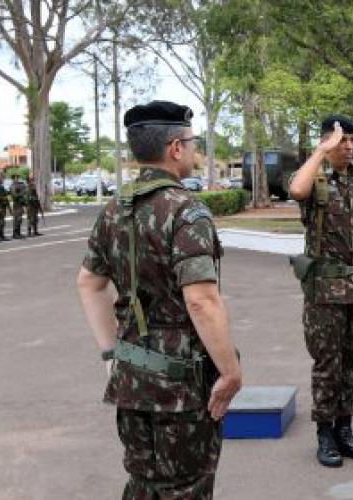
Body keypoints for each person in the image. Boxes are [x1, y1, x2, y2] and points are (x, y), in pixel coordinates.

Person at [77, 100, 242, 499]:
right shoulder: (187, 211)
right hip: (180, 385)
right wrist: (230, 372)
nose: (195, 149)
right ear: (175, 148)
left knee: (144, 483)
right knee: (186, 487)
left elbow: (88, 283)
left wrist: (110, 353)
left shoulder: (116, 209)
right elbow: (201, 300)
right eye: (192, 141)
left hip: (131, 376)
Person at [288, 115, 353, 468]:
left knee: (351, 362)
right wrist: (320, 151)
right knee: (327, 364)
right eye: (341, 141)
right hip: (325, 289)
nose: (348, 146)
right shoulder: (313, 178)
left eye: (351, 141)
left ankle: (345, 430)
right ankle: (325, 434)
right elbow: (296, 191)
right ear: (327, 142)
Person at [10, 173, 27, 239]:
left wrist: (22, 193)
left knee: (19, 219)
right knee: (16, 219)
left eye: (17, 177)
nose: (17, 179)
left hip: (20, 204)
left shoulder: (20, 185)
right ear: (13, 179)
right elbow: (14, 195)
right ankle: (15, 233)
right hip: (16, 205)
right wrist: (22, 193)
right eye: (15, 177)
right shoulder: (12, 186)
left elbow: (23, 192)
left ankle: (18, 233)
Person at [0, 173, 10, 242]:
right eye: (1, 178)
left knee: (2, 222)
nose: (2, 179)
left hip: (2, 206)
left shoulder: (1, 187)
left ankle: (1, 235)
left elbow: (5, 197)